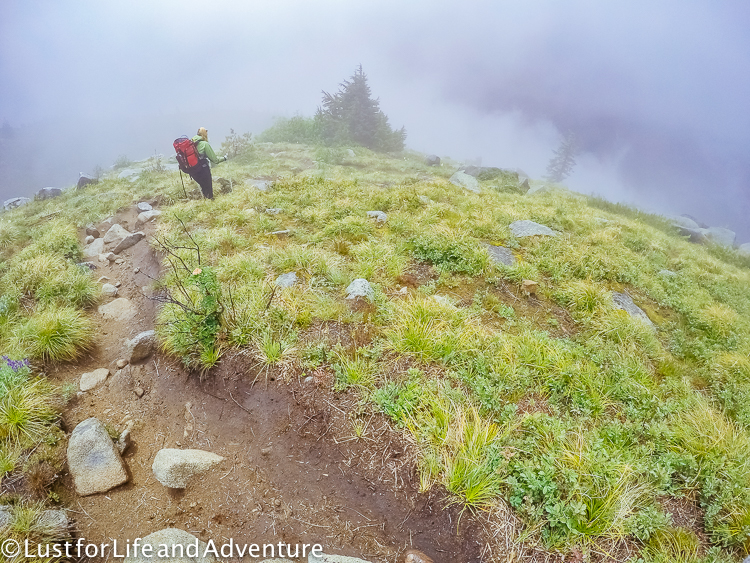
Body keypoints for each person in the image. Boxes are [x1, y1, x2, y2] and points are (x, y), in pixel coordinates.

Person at [188, 127, 227, 199]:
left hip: (193, 170)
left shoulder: (191, 143)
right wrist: (224, 158)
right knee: (208, 189)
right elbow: (215, 160)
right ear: (204, 134)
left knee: (203, 187)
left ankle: (205, 201)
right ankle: (211, 203)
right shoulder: (204, 144)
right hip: (203, 169)